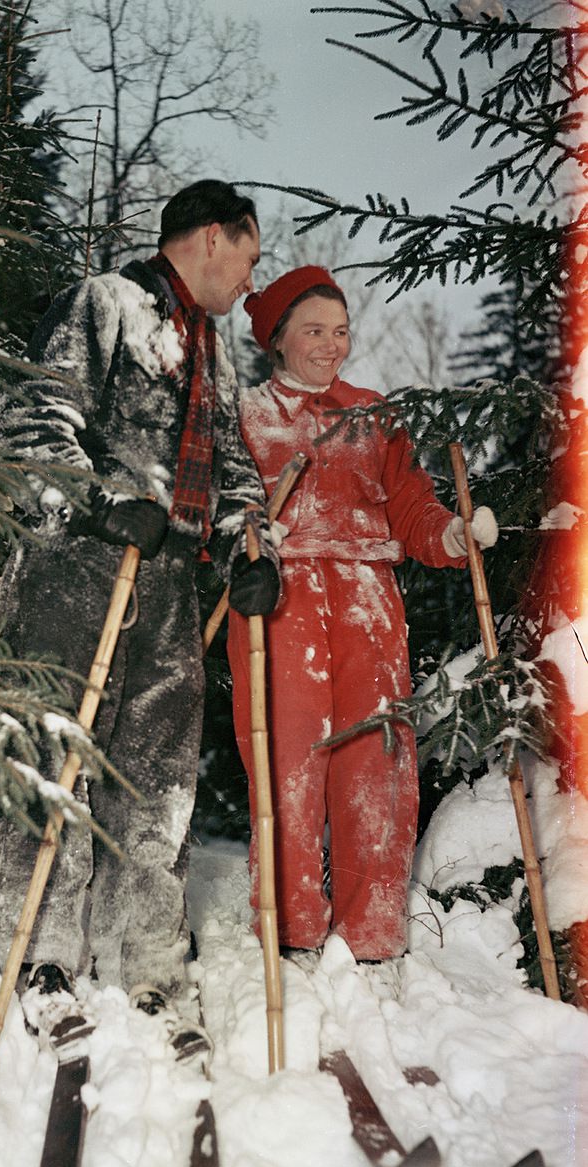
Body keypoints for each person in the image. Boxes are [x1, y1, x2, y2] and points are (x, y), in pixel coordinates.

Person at [0, 180, 280, 1000]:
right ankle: (41, 952)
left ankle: (146, 955)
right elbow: (32, 415)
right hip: (77, 571)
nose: (251, 279)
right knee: (56, 755)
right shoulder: (103, 303)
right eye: (250, 256)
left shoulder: (211, 349)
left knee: (160, 776)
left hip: (170, 588)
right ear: (212, 238)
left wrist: (247, 548)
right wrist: (96, 503)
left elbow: (232, 473)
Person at [228, 265, 498, 960]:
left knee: (376, 763)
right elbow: (218, 514)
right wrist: (241, 549)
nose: (330, 345)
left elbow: (409, 505)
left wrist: (449, 534)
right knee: (285, 761)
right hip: (278, 599)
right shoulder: (245, 414)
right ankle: (288, 928)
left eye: (340, 331)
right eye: (312, 331)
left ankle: (371, 931)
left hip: (368, 597)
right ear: (277, 340)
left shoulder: (374, 412)